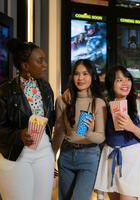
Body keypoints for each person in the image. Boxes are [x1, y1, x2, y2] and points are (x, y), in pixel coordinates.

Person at [0, 38, 55, 200]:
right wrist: (18, 135)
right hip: (15, 155)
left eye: (44, 60)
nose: (45, 64)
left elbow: (49, 119)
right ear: (25, 66)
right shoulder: (3, 92)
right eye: (40, 61)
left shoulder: (46, 88)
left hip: (44, 154)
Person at [94, 66, 140, 200]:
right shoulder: (105, 104)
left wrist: (132, 127)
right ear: (111, 84)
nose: (125, 83)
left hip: (133, 161)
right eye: (119, 80)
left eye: (127, 79)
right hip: (110, 157)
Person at [52, 59, 107, 200]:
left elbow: (101, 137)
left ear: (93, 76)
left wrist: (88, 133)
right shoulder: (62, 100)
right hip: (66, 155)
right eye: (77, 74)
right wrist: (51, 156)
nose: (80, 78)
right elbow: (59, 131)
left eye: (85, 74)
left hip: (89, 156)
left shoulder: (98, 103)